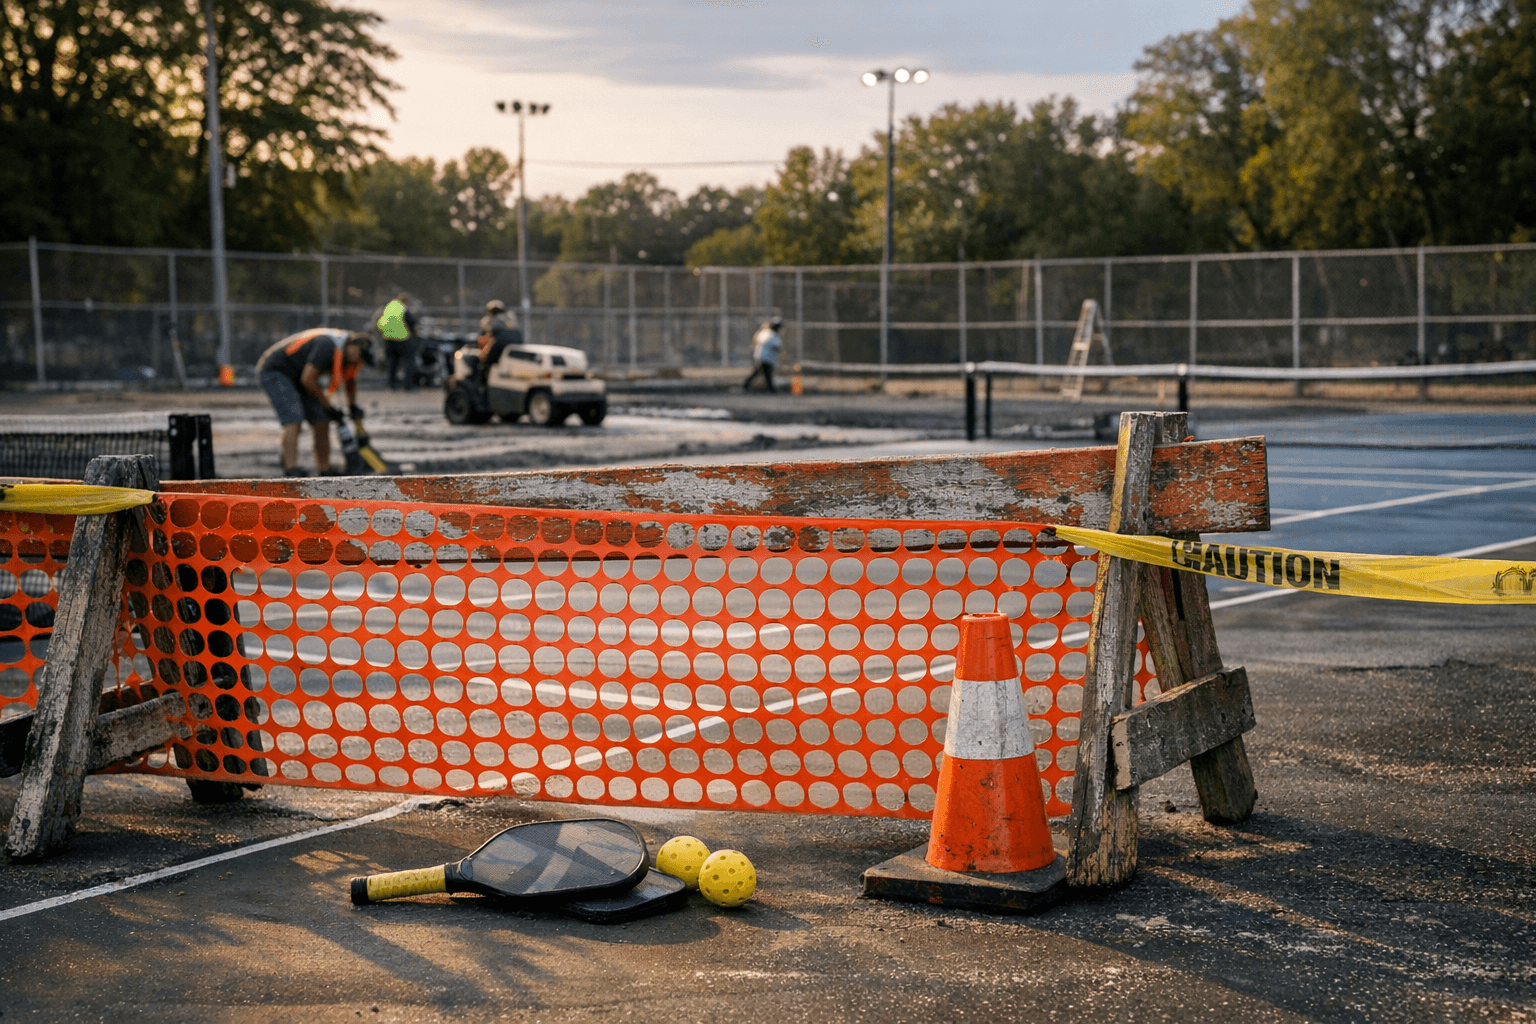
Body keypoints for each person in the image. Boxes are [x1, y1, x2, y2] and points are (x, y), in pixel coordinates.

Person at [256, 327, 373, 477]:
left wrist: (352, 406)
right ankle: (291, 469)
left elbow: (350, 381)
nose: (360, 362)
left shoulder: (347, 354)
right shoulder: (327, 345)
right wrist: (328, 407)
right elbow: (308, 379)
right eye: (361, 356)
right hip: (277, 371)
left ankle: (325, 469)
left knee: (321, 419)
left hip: (300, 377)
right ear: (353, 346)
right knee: (294, 418)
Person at [377, 292, 419, 390]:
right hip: (402, 339)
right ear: (405, 301)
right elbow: (413, 323)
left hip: (388, 339)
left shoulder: (389, 306)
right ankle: (408, 386)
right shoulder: (403, 308)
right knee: (408, 362)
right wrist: (415, 337)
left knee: (392, 363)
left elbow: (380, 321)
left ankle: (392, 385)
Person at [476, 299, 522, 382]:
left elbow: (489, 336)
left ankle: (482, 382)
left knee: (485, 361)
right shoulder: (510, 317)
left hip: (501, 344)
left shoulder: (492, 320)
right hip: (516, 344)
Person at [744, 316, 783, 392]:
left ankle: (747, 384)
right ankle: (771, 388)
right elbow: (776, 347)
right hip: (765, 358)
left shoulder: (765, 332)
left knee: (760, 372)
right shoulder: (771, 335)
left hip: (761, 356)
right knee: (765, 373)